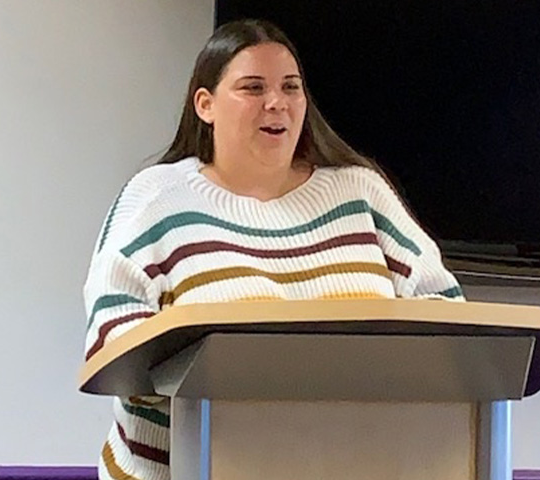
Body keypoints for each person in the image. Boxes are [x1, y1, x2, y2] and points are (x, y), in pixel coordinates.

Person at [83, 18, 464, 480]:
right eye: (253, 87)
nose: (276, 103)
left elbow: (448, 319)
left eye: (291, 87)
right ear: (205, 105)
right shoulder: (155, 198)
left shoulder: (361, 193)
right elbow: (111, 342)